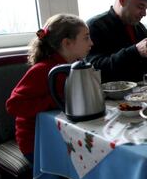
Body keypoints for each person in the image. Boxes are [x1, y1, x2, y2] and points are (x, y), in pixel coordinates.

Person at [6, 14, 93, 163]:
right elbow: (13, 105)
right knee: (90, 158)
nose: (91, 43)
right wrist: (55, 99)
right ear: (67, 43)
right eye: (86, 38)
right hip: (37, 143)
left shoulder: (77, 65)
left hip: (61, 133)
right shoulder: (42, 70)